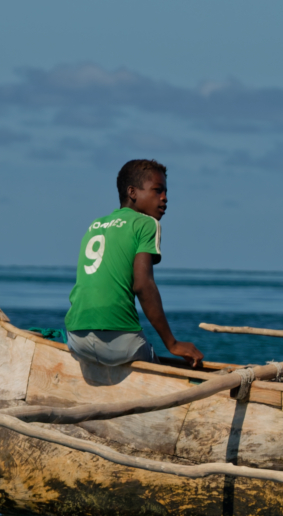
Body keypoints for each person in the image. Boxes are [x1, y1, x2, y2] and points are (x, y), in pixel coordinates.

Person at [63, 158, 206, 369]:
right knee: (170, 371)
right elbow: (143, 284)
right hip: (119, 341)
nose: (165, 198)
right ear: (132, 192)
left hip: (75, 337)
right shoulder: (146, 224)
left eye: (166, 192)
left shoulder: (96, 225)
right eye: (158, 191)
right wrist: (172, 343)